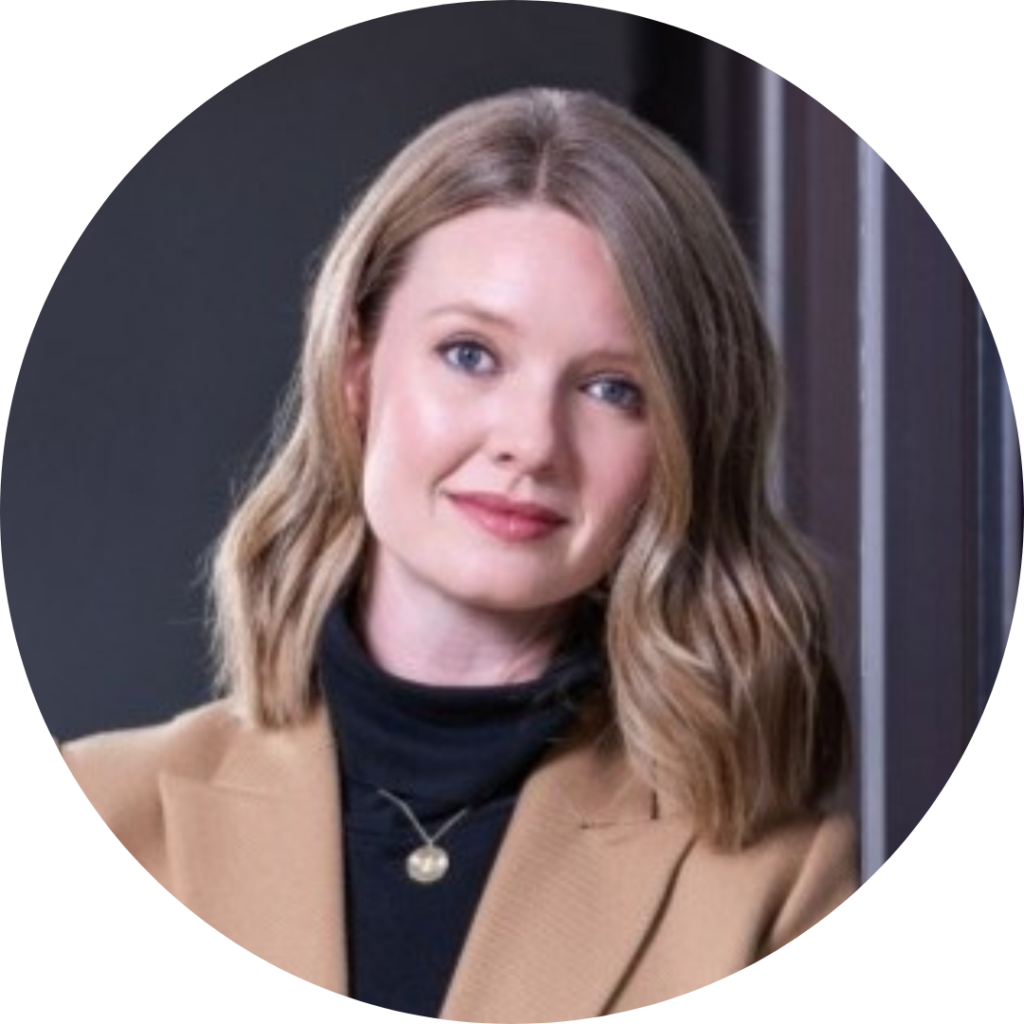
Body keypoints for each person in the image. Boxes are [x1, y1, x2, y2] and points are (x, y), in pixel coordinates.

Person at [61, 88, 857, 1021]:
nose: (531, 441)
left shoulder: (777, 886)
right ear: (356, 369)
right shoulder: (86, 818)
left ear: (679, 446)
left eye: (611, 388)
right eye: (472, 354)